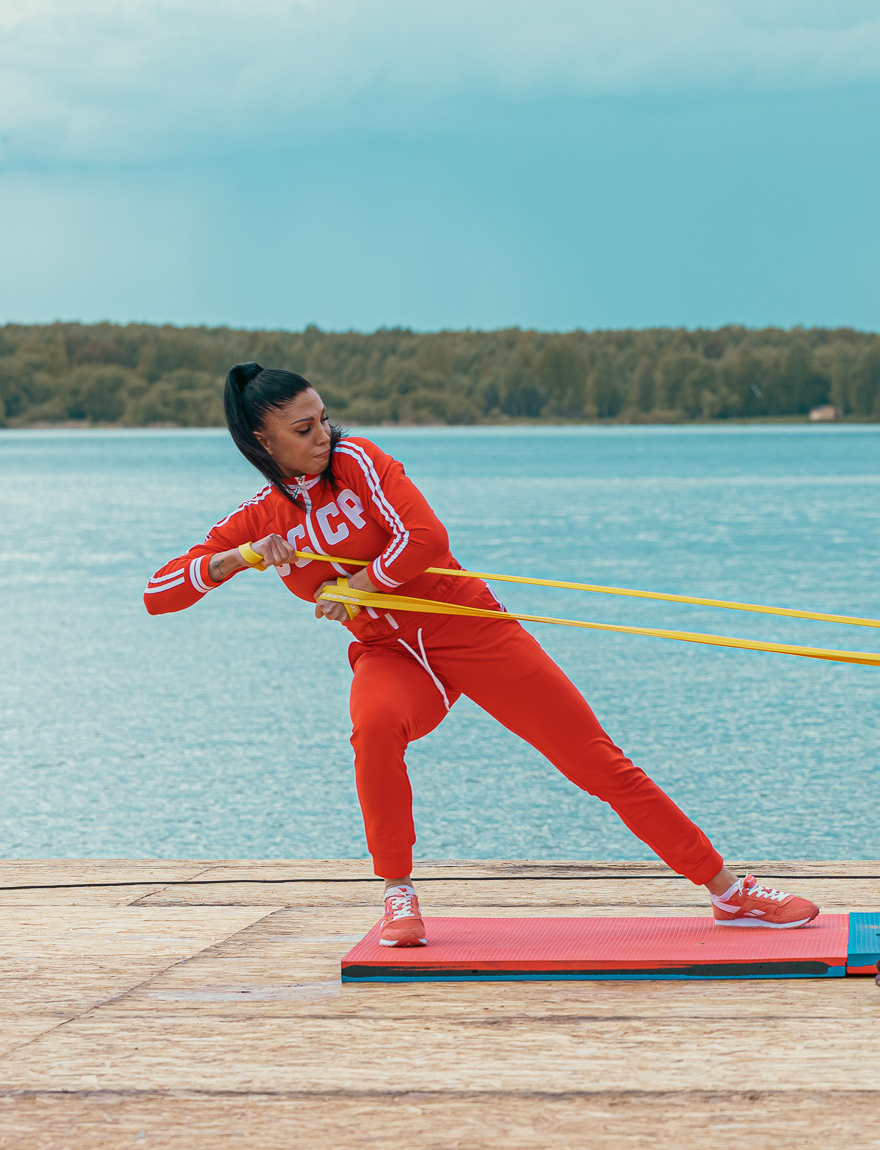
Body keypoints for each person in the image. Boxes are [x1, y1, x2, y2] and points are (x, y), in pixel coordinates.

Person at [145, 363, 820, 946]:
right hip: (392, 656)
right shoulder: (264, 516)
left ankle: (729, 889)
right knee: (373, 728)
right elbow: (158, 592)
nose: (323, 434)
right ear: (263, 441)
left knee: (595, 761)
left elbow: (426, 539)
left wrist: (360, 583)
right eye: (303, 429)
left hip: (471, 630)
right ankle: (398, 893)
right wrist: (244, 557)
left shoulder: (359, 463)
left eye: (324, 418)